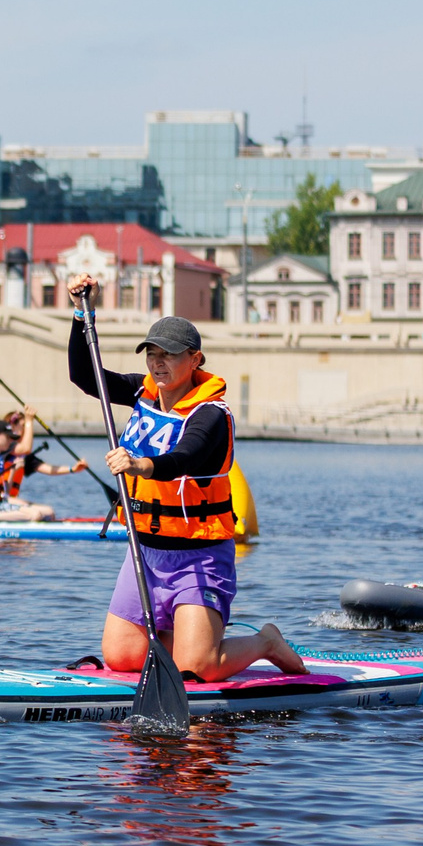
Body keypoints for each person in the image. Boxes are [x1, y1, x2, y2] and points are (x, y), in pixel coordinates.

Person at [64, 283, 306, 682]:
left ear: (195, 359)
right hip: (145, 552)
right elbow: (85, 376)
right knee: (121, 657)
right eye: (153, 355)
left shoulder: (212, 415)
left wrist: (141, 465)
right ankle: (184, 631)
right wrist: (79, 315)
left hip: (200, 555)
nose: (158, 364)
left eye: (170, 356)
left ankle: (265, 641)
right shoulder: (141, 392)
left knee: (199, 669)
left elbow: (186, 457)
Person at [0, 408, 90, 522]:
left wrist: (13, 470)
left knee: (49, 512)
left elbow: (6, 491)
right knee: (36, 514)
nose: (11, 441)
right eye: (8, 437)